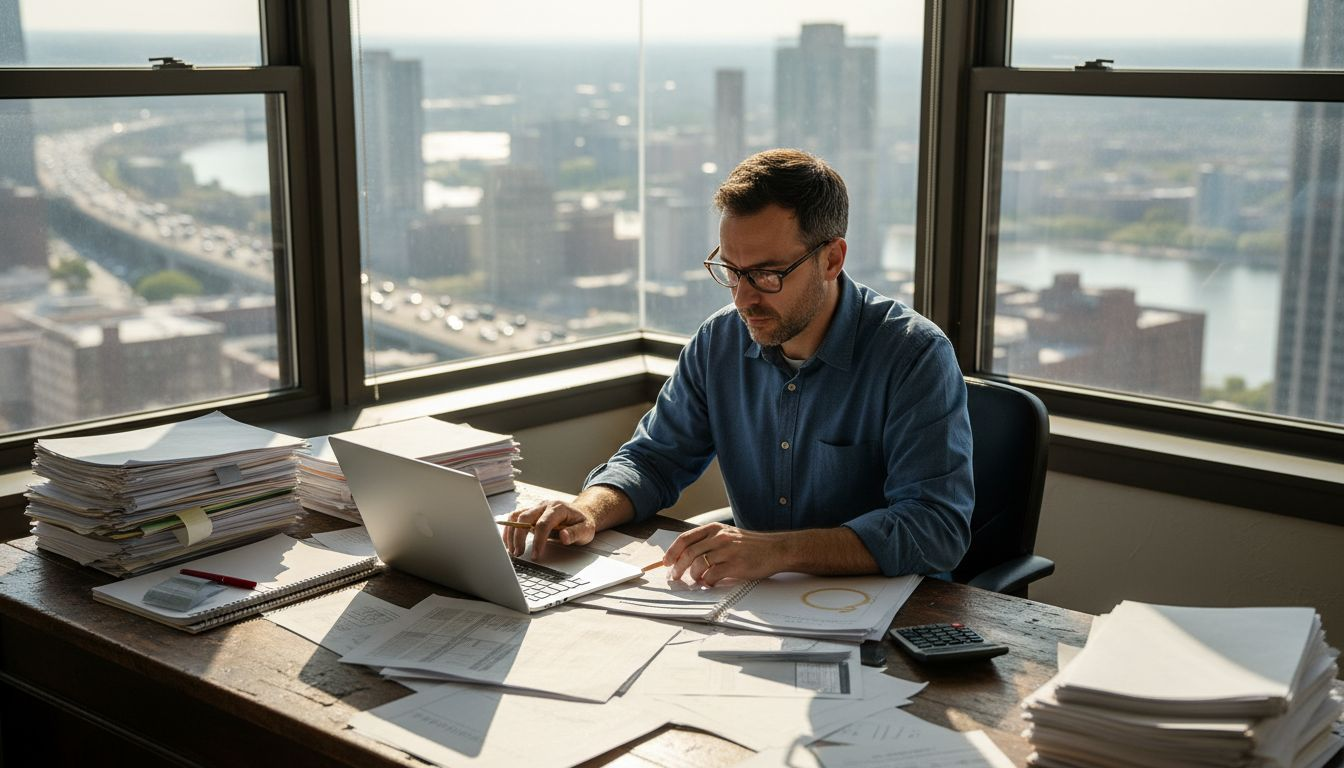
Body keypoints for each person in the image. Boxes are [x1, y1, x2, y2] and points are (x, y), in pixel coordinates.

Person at [505, 148, 974, 585]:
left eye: (768, 275)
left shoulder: (914, 355)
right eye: (732, 271)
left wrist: (778, 552)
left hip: (884, 614)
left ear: (832, 259)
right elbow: (653, 459)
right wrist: (588, 510)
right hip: (752, 603)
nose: (744, 298)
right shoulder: (720, 340)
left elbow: (935, 528)